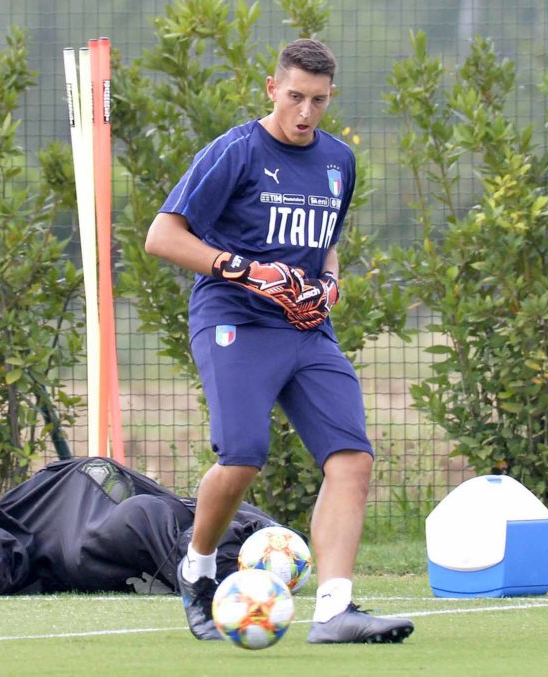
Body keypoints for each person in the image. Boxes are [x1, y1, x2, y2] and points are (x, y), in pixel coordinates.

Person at [144, 38, 414, 645]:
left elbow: (327, 244)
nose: (305, 112)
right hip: (235, 320)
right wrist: (244, 270)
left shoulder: (339, 160)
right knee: (242, 456)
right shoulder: (235, 151)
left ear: (331, 96)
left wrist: (331, 283)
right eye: (294, 97)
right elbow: (162, 236)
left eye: (318, 100)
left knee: (352, 459)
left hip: (307, 329)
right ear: (272, 89)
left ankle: (335, 611)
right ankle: (198, 569)